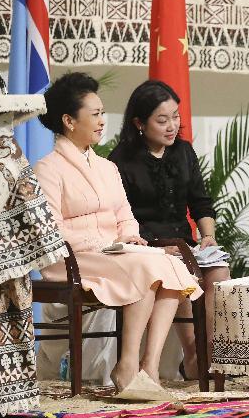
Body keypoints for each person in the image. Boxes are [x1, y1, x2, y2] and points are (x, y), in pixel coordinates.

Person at [33, 72, 202, 393]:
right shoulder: (48, 169)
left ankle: (148, 366)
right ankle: (126, 365)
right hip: (73, 260)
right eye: (94, 114)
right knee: (146, 267)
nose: (102, 120)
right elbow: (50, 233)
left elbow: (125, 218)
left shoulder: (106, 168)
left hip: (113, 254)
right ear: (69, 120)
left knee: (170, 265)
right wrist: (107, 243)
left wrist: (128, 239)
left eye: (102, 113)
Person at [109, 80, 228, 380]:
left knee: (218, 269)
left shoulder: (184, 152)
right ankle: (191, 358)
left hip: (185, 243)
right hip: (146, 246)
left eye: (175, 116)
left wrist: (208, 236)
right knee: (180, 268)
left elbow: (201, 203)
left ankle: (205, 354)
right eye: (162, 120)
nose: (172, 126)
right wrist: (157, 247)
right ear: (139, 123)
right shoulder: (121, 160)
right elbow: (120, 217)